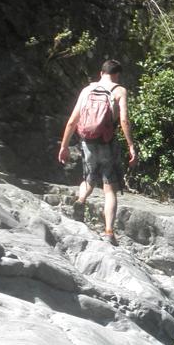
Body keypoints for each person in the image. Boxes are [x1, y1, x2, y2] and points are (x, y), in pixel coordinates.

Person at [57, 59, 138, 245]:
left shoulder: (87, 90)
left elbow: (72, 121)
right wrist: (131, 146)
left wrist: (64, 146)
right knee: (110, 189)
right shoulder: (119, 91)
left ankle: (80, 200)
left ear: (101, 73)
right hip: (107, 142)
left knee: (89, 177)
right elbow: (124, 120)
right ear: (117, 75)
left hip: (87, 141)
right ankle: (109, 232)